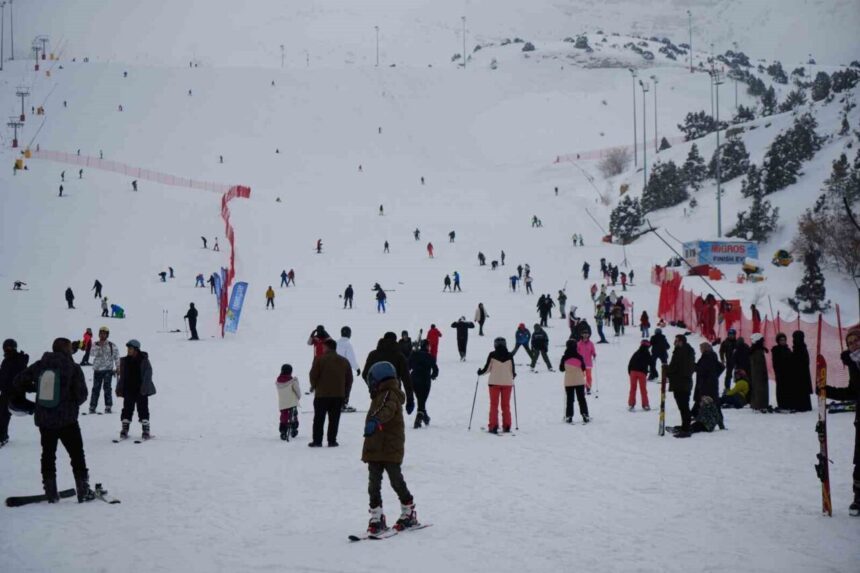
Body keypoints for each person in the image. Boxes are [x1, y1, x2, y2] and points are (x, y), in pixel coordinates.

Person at [12, 338, 95, 502]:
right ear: (67, 350)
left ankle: (50, 492)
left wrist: (36, 389)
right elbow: (82, 395)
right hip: (67, 420)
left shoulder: (41, 364)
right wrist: (70, 403)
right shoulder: (73, 367)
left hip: (45, 420)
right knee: (77, 454)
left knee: (48, 455)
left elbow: (18, 381)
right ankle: (83, 490)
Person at [362, 361, 418, 533]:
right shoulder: (379, 394)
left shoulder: (390, 394)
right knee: (373, 484)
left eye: (372, 380)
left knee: (396, 480)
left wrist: (375, 420)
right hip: (375, 446)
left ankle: (408, 511)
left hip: (390, 446)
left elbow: (387, 410)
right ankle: (376, 516)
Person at [825, 328, 860, 516]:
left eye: (856, 341)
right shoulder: (853, 364)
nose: (854, 344)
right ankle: (858, 498)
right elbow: (852, 392)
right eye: (850, 342)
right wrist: (827, 390)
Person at [308, 339, 352, 447]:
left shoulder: (319, 359)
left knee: (319, 419)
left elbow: (313, 375)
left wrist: (314, 386)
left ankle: (317, 441)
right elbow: (349, 379)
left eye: (323, 347)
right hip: (338, 395)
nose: (322, 349)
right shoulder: (344, 361)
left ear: (327, 347)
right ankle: (332, 441)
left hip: (321, 395)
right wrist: (346, 394)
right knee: (334, 419)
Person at [363, 332, 415, 417]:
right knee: (395, 421)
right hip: (395, 394)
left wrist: (372, 388)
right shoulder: (399, 356)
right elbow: (407, 380)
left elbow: (365, 374)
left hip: (377, 394)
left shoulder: (373, 355)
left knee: (377, 418)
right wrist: (410, 400)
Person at [116, 339, 156, 440]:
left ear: (136, 350)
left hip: (141, 390)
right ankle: (125, 429)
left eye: (130, 349)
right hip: (128, 389)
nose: (128, 350)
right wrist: (120, 387)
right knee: (127, 409)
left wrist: (144, 388)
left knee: (143, 409)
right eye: (128, 349)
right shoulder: (125, 361)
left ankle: (145, 430)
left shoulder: (144, 360)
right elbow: (122, 377)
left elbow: (148, 375)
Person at [478, 337, 516, 433]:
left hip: (494, 383)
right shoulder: (510, 355)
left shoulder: (492, 354)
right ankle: (507, 426)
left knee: (494, 405)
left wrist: (480, 372)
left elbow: (487, 369)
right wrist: (512, 375)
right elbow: (512, 371)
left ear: (495, 345)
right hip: (507, 383)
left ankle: (493, 426)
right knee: (506, 405)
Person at [0, 339, 30, 447]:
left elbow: (21, 376)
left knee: (3, 415)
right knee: (2, 415)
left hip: (14, 393)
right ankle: (3, 436)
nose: (8, 349)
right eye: (6, 347)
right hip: (5, 392)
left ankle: (2, 437)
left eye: (10, 347)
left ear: (14, 348)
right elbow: (3, 376)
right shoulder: (6, 361)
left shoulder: (19, 360)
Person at [666, 334, 696, 437]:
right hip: (681, 383)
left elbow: (677, 366)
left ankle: (686, 428)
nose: (675, 343)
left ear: (681, 342)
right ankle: (685, 426)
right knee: (683, 406)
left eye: (677, 341)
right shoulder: (685, 351)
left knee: (683, 406)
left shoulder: (682, 352)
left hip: (682, 383)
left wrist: (668, 371)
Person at [89, 326, 119, 415]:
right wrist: (99, 347)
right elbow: (91, 353)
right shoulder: (95, 344)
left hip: (108, 370)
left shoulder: (112, 345)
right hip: (97, 370)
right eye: (101, 333)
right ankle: (92, 406)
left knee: (107, 388)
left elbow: (116, 356)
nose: (102, 335)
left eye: (104, 334)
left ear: (107, 335)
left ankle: (108, 406)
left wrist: (118, 367)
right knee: (95, 389)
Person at [408, 341, 439, 428]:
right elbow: (435, 369)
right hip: (425, 380)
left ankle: (426, 418)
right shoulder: (429, 356)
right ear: (427, 347)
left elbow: (408, 366)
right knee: (422, 400)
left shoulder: (414, 355)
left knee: (420, 400)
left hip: (414, 379)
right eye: (429, 346)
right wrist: (433, 376)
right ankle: (418, 420)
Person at [559, 339, 589, 423]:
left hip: (569, 381)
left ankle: (569, 416)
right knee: (581, 399)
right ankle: (585, 414)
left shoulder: (564, 357)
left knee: (570, 400)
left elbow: (561, 369)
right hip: (579, 380)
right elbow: (583, 368)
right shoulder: (579, 356)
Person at [692, 342, 724, 417]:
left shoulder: (707, 357)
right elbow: (721, 367)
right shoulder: (711, 356)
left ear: (705, 349)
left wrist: (694, 366)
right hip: (710, 383)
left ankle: (717, 417)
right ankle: (695, 414)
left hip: (706, 384)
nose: (700, 350)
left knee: (709, 400)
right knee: (710, 400)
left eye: (701, 348)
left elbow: (702, 370)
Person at [336, 326, 361, 412]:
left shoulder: (336, 343)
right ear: (349, 334)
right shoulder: (347, 345)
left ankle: (336, 404)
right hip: (344, 370)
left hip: (333, 369)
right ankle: (343, 404)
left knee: (337, 387)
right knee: (346, 385)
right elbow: (351, 359)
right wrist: (357, 368)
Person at [275, 365, 301, 440]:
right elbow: (298, 391)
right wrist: (298, 397)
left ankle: (283, 431)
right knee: (294, 415)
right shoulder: (292, 381)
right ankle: (294, 429)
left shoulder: (278, 381)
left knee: (284, 416)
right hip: (292, 402)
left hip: (283, 403)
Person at [789, 330, 813, 412]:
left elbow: (801, 360)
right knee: (802, 391)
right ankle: (802, 405)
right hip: (801, 373)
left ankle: (802, 406)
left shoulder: (800, 347)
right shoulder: (800, 347)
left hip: (800, 373)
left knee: (801, 390)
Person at [627, 340, 651, 411]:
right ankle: (645, 405)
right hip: (642, 373)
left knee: (632, 388)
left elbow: (630, 363)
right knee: (643, 389)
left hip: (633, 372)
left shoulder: (636, 353)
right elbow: (651, 363)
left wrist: (630, 372)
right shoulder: (647, 353)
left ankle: (631, 404)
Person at [748, 333, 769, 412]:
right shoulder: (757, 351)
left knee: (757, 389)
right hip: (759, 374)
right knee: (760, 390)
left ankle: (758, 404)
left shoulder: (756, 349)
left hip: (757, 373)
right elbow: (759, 363)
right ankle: (760, 405)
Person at [772, 333, 793, 411]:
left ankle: (787, 404)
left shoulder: (788, 350)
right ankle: (781, 405)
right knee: (780, 389)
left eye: (784, 340)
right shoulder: (776, 350)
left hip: (788, 373)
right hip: (780, 373)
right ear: (778, 341)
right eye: (781, 340)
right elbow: (775, 363)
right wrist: (778, 372)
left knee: (787, 389)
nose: (783, 341)